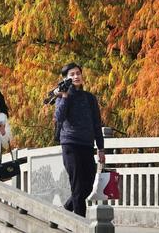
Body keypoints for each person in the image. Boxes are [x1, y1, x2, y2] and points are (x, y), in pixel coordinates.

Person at [54, 62, 105, 217]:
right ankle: (80, 225)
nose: (76, 76)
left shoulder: (89, 98)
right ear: (65, 79)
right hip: (70, 144)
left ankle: (63, 212)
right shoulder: (62, 97)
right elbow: (59, 117)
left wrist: (101, 148)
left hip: (87, 145)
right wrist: (64, 96)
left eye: (78, 73)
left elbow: (97, 124)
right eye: (72, 74)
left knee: (88, 186)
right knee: (77, 187)